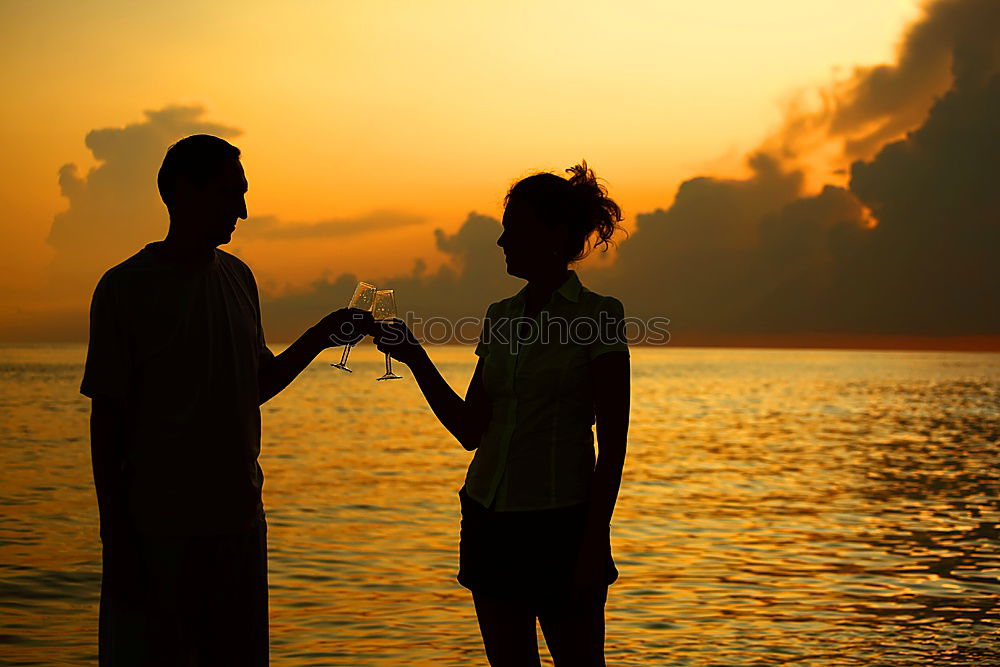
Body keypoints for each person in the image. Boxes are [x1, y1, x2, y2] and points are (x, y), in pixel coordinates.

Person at [80, 134, 370, 665]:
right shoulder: (125, 289)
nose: (243, 210)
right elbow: (108, 426)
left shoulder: (239, 278)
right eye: (229, 193)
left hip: (238, 523)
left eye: (243, 194)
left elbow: (254, 387)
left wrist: (321, 335)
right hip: (157, 533)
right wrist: (116, 542)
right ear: (180, 193)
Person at [375, 162, 630, 666]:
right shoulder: (500, 316)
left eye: (514, 227)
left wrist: (592, 543)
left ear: (556, 233)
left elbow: (614, 445)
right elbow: (471, 430)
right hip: (488, 519)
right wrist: (415, 356)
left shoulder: (599, 315)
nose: (501, 241)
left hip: (563, 525)